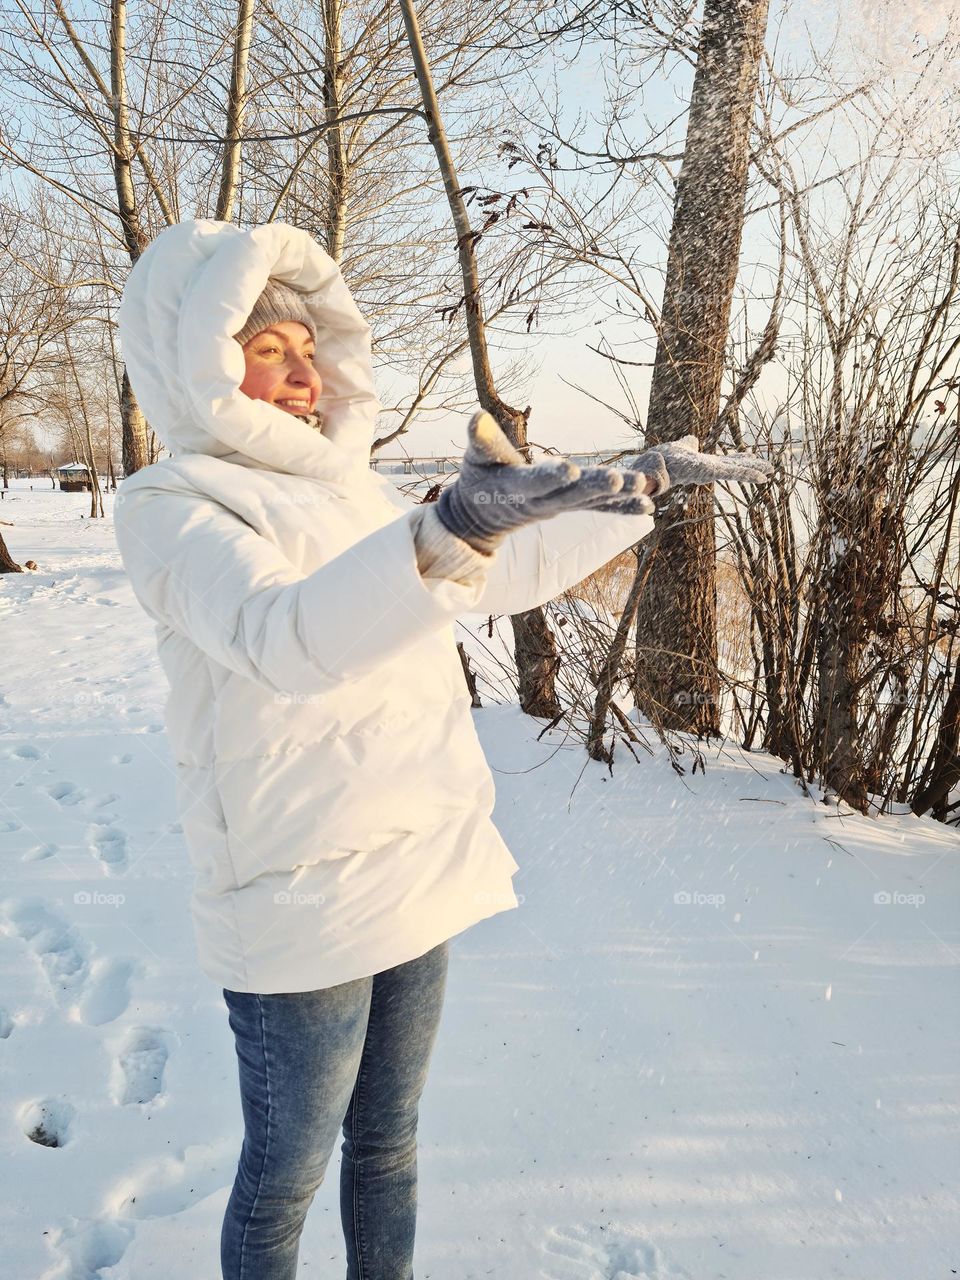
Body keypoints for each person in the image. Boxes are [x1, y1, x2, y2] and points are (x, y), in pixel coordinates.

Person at [112, 218, 773, 1280]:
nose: (301, 368)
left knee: (389, 1142)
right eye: (263, 344)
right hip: (300, 892)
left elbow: (485, 579)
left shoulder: (348, 485)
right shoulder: (172, 504)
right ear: (195, 357)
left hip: (416, 856)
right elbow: (286, 636)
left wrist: (625, 498)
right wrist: (448, 525)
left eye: (305, 345)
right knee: (286, 1175)